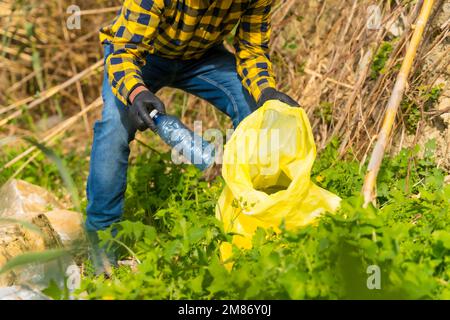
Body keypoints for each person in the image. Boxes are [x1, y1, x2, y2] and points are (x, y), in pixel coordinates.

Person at [86, 0, 299, 272]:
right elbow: (124, 50)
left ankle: (260, 225)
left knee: (255, 112)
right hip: (143, 57)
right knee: (114, 127)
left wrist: (266, 91)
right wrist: (137, 92)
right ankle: (102, 250)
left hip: (203, 58)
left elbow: (253, 50)